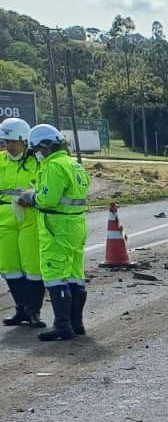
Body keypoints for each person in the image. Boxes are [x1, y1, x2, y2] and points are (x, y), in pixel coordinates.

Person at [18, 125, 89, 341]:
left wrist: (31, 198)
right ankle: (77, 323)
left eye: (36, 149)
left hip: (56, 226)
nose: (36, 153)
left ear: (45, 146)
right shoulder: (73, 164)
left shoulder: (53, 166)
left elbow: (48, 199)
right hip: (76, 223)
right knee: (75, 275)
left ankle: (63, 325)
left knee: (54, 274)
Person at [0, 118, 44, 328]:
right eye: (5, 142)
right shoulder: (1, 161)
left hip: (30, 219)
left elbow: (47, 188)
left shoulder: (38, 162)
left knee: (33, 267)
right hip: (5, 221)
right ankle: (21, 309)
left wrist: (32, 199)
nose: (8, 146)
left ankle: (33, 311)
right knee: (10, 267)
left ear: (25, 141)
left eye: (13, 142)